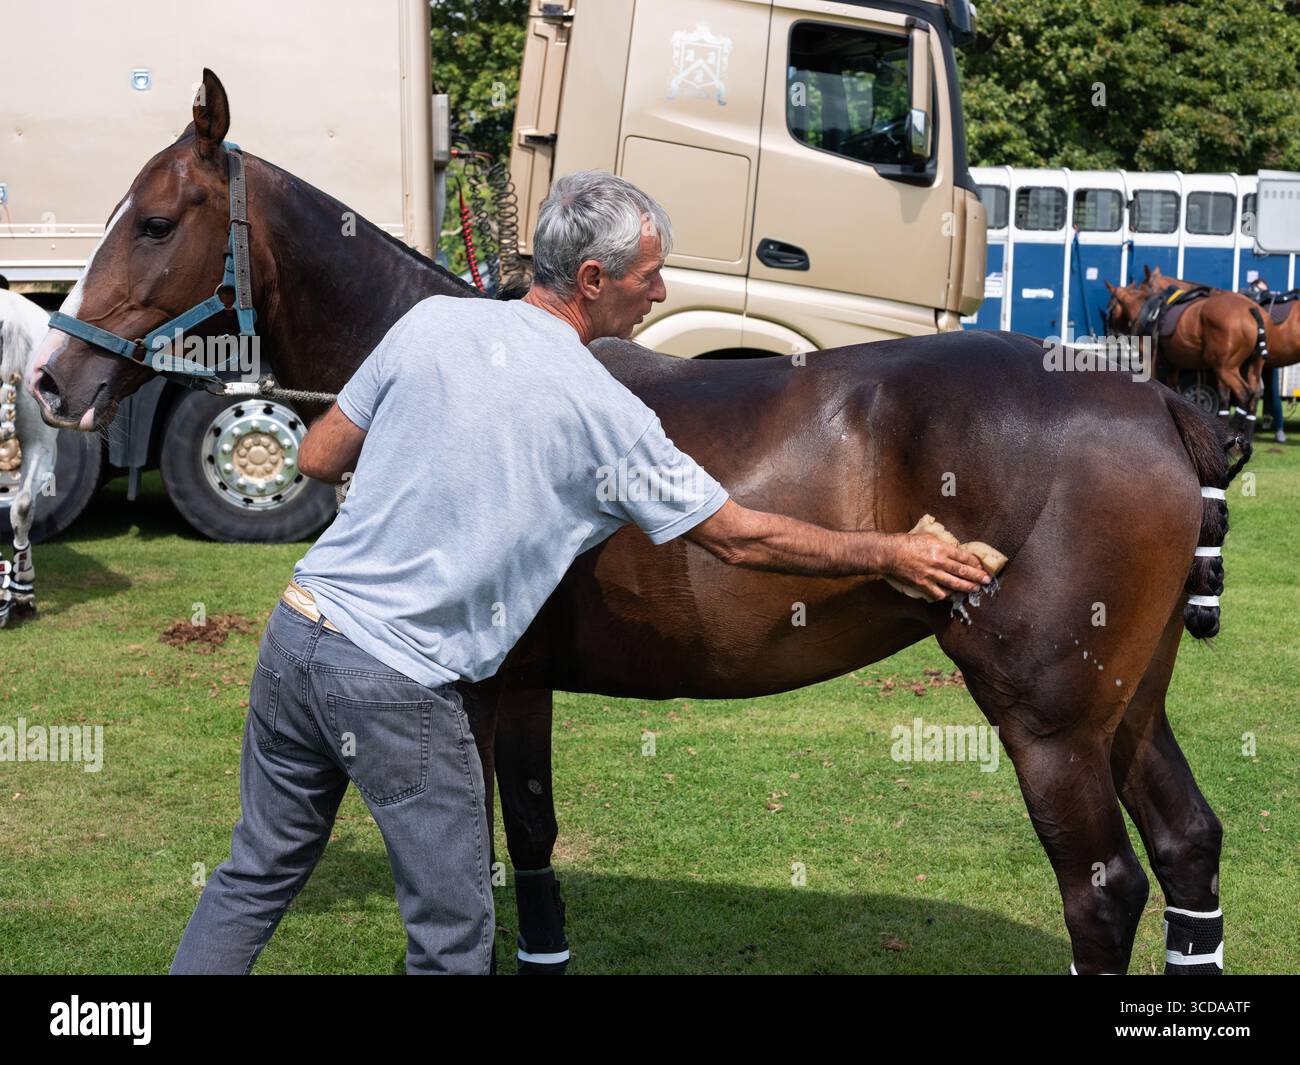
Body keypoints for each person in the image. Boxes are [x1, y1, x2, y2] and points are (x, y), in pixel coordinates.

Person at [169, 170, 993, 975]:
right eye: (650, 275)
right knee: (453, 943)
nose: (662, 292)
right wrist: (889, 552)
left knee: (253, 874)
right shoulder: (604, 412)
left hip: (296, 638)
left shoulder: (428, 324)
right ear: (593, 279)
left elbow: (315, 456)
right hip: (401, 686)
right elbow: (740, 539)